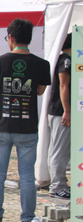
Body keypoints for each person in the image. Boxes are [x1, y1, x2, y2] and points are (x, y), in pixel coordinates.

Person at [0, 19, 51, 222]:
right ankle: (27, 217)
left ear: (10, 37)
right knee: (27, 175)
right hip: (28, 127)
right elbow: (39, 91)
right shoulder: (42, 64)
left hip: (3, 126)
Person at [46, 33, 71, 199]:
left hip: (59, 111)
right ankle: (57, 186)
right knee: (59, 150)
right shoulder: (66, 59)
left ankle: (58, 184)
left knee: (58, 149)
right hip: (60, 112)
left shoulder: (64, 59)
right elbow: (63, 85)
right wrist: (67, 110)